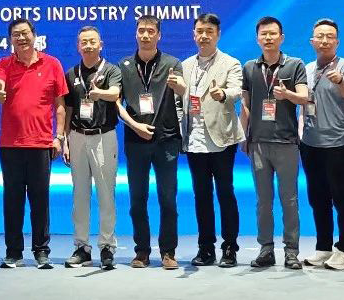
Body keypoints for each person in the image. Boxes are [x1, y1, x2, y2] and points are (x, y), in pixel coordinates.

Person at [0, 18, 67, 269]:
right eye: (16, 34)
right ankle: (13, 252)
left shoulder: (52, 64)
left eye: (25, 33)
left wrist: (59, 137)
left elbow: (60, 106)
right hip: (11, 144)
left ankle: (41, 251)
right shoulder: (3, 64)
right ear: (10, 39)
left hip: (41, 143)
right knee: (12, 201)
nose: (21, 38)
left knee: (40, 200)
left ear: (34, 35)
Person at [117, 15, 185, 270]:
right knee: (137, 199)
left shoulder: (172, 64)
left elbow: (184, 94)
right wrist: (135, 126)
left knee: (168, 199)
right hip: (136, 141)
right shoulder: (124, 66)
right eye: (141, 31)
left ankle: (168, 252)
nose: (145, 35)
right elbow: (116, 103)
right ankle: (142, 252)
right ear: (136, 34)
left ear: (159, 35)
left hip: (166, 140)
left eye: (150, 31)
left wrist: (181, 87)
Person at [241, 16, 308, 270]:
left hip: (286, 142)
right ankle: (266, 249)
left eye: (272, 34)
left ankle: (291, 251)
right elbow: (246, 104)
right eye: (263, 34)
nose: (268, 38)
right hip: (258, 143)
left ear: (281, 37)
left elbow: (303, 98)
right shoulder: (250, 67)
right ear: (257, 38)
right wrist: (243, 135)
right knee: (263, 201)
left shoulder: (294, 64)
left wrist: (287, 94)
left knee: (289, 200)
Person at [180, 13, 245, 268]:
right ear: (194, 34)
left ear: (218, 35)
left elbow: (237, 90)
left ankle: (229, 247)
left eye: (209, 31)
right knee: (201, 195)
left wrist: (223, 94)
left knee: (225, 193)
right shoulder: (185, 65)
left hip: (221, 138)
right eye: (200, 31)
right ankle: (205, 248)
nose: (204, 36)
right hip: (194, 139)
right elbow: (179, 101)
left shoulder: (230, 63)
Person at [297, 19, 344, 271]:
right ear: (312, 41)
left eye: (329, 36)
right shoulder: (307, 68)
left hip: (337, 144)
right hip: (311, 144)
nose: (324, 41)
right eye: (320, 36)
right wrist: (301, 131)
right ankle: (323, 247)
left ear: (337, 42)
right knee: (317, 198)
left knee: (342, 198)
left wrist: (341, 81)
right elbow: (304, 102)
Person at [63, 25, 122, 269]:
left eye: (92, 41)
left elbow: (116, 93)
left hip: (103, 136)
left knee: (106, 193)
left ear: (101, 45)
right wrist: (65, 139)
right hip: (77, 136)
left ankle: (107, 246)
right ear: (78, 46)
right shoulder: (71, 74)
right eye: (84, 42)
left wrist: (100, 93)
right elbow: (68, 109)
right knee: (80, 194)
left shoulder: (111, 70)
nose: (88, 45)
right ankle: (82, 247)